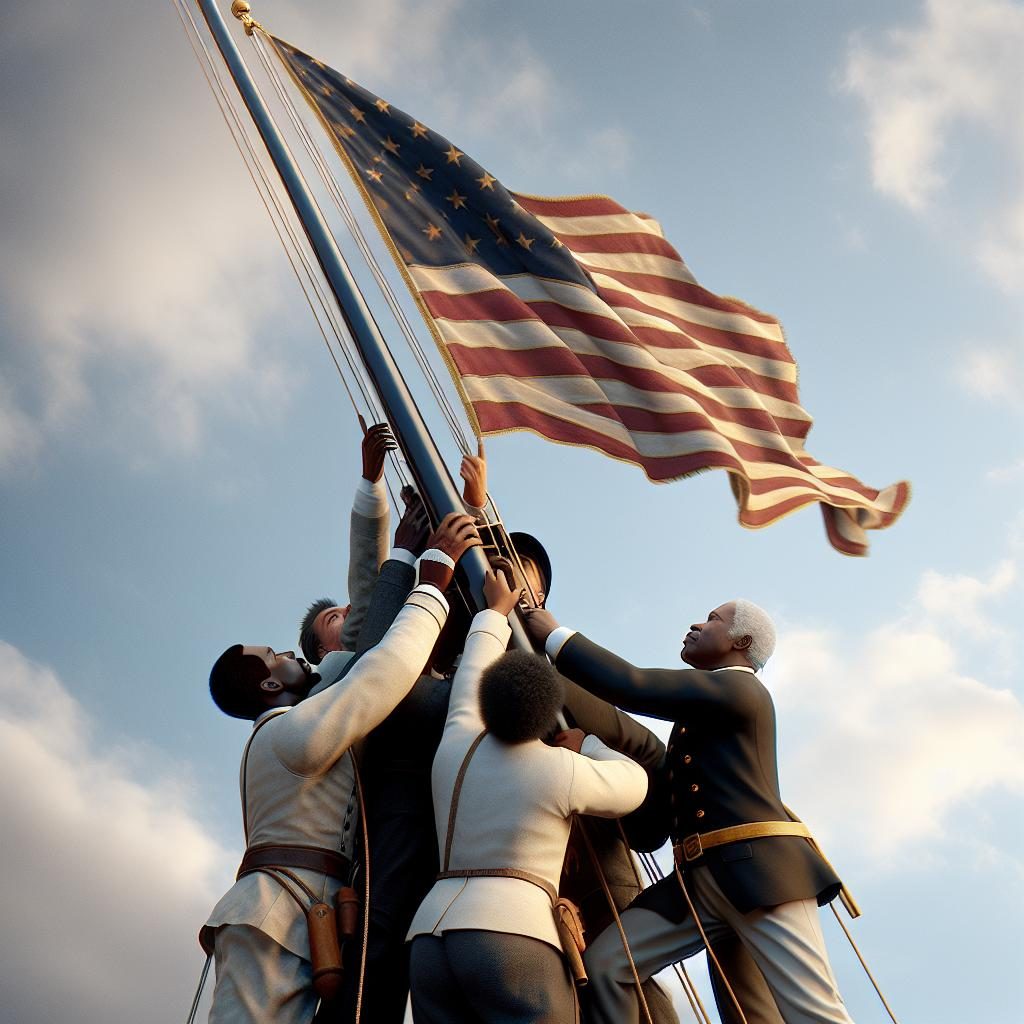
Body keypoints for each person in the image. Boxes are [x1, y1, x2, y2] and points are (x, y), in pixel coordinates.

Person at [199, 512, 482, 1024]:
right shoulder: (286, 733)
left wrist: (400, 556)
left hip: (299, 911)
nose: (286, 652)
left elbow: (367, 656)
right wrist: (434, 576)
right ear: (268, 685)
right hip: (274, 914)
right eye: (274, 654)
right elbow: (380, 670)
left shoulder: (287, 726)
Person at [524, 601, 853, 1024]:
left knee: (813, 1013)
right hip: (696, 881)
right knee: (607, 965)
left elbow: (634, 685)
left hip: (760, 874)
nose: (697, 623)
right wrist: (590, 748)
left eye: (713, 619)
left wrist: (555, 635)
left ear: (742, 643)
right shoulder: (701, 713)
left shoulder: (741, 689)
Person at [407, 568, 650, 1023]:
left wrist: (493, 613)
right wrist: (588, 745)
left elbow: (470, 679)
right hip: (515, 932)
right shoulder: (560, 770)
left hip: (429, 936)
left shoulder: (457, 740)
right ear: (545, 712)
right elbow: (634, 784)